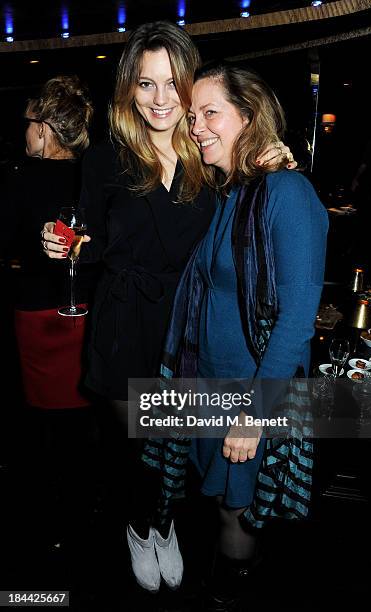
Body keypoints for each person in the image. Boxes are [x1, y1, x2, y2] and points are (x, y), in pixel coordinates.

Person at [40, 22, 295, 594]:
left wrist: (273, 156)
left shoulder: (211, 156)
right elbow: (92, 240)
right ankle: (140, 528)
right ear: (129, 90)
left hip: (188, 326)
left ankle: (163, 522)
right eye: (145, 84)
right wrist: (64, 245)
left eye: (172, 84)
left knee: (173, 448)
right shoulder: (106, 160)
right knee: (133, 449)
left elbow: (257, 196)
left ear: (190, 85)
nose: (160, 100)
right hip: (122, 321)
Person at [143, 61, 329, 609]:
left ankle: (230, 593)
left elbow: (298, 318)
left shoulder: (286, 192)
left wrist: (254, 413)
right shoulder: (229, 196)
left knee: (236, 510)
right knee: (218, 501)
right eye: (193, 114)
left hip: (249, 393)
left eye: (210, 113)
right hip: (207, 388)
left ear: (248, 117)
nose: (196, 125)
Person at [1, 75, 97, 548]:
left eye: (28, 124)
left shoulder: (20, 179)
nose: (24, 134)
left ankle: (48, 519)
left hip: (39, 315)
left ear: (45, 129)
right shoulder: (96, 177)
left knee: (41, 420)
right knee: (84, 415)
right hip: (87, 315)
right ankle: (81, 509)